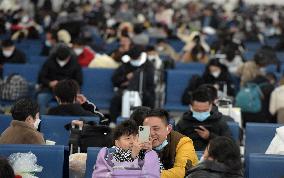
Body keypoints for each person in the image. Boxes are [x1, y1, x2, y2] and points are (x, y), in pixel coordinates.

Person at [92, 119, 160, 178]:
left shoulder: (145, 154)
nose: (132, 142)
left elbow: (155, 174)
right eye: (128, 138)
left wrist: (149, 153)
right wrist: (132, 157)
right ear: (117, 143)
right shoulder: (107, 155)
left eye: (135, 138)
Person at [143, 108, 198, 178]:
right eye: (146, 129)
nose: (151, 133)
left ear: (168, 129)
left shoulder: (183, 142)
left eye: (156, 129)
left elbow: (182, 171)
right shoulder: (137, 140)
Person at [109, 46, 155, 123]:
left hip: (144, 91)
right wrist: (125, 77)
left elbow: (150, 83)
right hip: (126, 90)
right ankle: (115, 123)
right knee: (115, 100)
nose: (134, 60)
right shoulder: (125, 64)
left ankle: (145, 127)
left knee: (149, 101)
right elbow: (115, 80)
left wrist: (135, 81)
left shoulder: (148, 65)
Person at [37, 43, 82, 114]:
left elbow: (79, 80)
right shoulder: (49, 62)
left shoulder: (75, 63)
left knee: (77, 101)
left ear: (69, 57)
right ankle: (43, 121)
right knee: (41, 98)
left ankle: (70, 121)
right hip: (50, 90)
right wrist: (49, 83)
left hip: (68, 91)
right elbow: (41, 78)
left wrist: (66, 84)